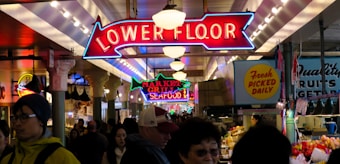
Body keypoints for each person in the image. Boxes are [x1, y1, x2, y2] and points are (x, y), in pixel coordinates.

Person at [0, 93, 80, 164]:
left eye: (24, 117)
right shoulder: (7, 160)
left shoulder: (61, 158)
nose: (17, 123)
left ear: (41, 120)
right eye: (15, 117)